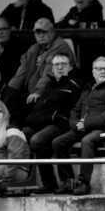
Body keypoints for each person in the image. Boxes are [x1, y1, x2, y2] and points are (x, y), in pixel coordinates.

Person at [51, 57, 105, 195]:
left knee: (86, 141)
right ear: (93, 71)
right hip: (84, 127)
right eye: (98, 68)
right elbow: (75, 110)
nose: (102, 71)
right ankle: (67, 182)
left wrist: (86, 124)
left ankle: (84, 183)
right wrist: (76, 124)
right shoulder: (88, 88)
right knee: (58, 142)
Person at [23, 53, 81, 193]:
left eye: (63, 64)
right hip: (46, 123)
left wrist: (54, 117)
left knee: (37, 140)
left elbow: (73, 109)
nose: (59, 67)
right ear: (52, 68)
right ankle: (23, 178)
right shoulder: (49, 84)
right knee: (22, 134)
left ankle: (56, 182)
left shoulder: (74, 85)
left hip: (62, 124)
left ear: (70, 67)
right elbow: (42, 108)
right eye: (56, 65)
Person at [9, 18, 76, 103]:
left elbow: (49, 74)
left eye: (44, 32)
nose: (41, 35)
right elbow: (22, 71)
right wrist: (11, 89)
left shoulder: (60, 46)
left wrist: (38, 92)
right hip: (30, 93)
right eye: (38, 32)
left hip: (48, 94)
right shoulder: (35, 48)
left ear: (52, 32)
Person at [0, 18, 27, 87]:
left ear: (10, 30)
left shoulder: (21, 47)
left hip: (12, 88)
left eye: (3, 29)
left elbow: (19, 76)